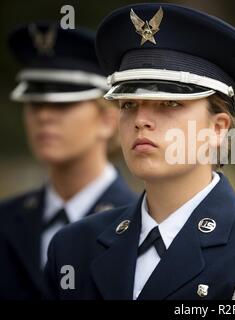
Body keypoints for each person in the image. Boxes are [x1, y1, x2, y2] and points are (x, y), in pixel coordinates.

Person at [44, 3, 235, 300]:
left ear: (218, 128)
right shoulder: (73, 248)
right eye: (129, 104)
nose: (141, 121)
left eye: (169, 104)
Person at [0, 23, 137, 299]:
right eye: (35, 103)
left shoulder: (140, 225)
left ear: (108, 120)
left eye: (64, 104)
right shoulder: (5, 220)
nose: (44, 117)